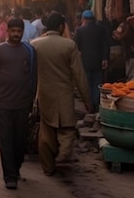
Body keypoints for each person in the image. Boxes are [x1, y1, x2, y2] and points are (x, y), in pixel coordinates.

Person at [30, 13, 91, 176]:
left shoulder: (34, 44)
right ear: (61, 27)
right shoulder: (69, 45)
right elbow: (79, 75)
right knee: (67, 128)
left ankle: (48, 167)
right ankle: (63, 155)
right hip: (64, 94)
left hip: (43, 94)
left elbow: (29, 73)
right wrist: (87, 99)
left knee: (46, 132)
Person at [0, 18, 37, 190]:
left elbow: (33, 77)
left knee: (20, 141)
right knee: (6, 141)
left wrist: (31, 101)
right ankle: (9, 176)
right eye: (13, 31)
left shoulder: (28, 51)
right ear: (7, 31)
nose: (16, 34)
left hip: (22, 104)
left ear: (23, 32)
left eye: (19, 31)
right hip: (3, 104)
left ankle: (16, 168)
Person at [74, 10, 109, 113]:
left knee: (87, 84)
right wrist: (105, 58)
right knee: (97, 83)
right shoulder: (101, 29)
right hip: (98, 62)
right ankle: (97, 105)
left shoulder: (80, 31)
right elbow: (105, 45)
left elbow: (76, 46)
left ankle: (90, 107)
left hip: (85, 62)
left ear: (84, 19)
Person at [112, 15, 134, 80]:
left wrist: (117, 33)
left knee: (133, 77)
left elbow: (117, 35)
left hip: (131, 54)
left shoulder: (125, 24)